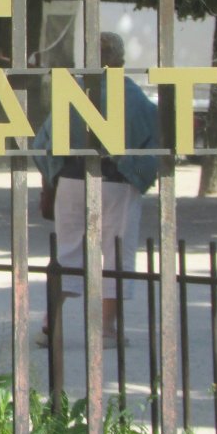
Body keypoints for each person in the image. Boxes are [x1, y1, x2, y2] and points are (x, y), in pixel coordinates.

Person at [34, 32, 159, 348]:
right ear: (120, 62)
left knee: (67, 253)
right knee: (117, 254)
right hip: (117, 182)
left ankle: (51, 325)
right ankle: (105, 330)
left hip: (72, 182)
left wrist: (52, 178)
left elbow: (43, 144)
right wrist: (137, 175)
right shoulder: (134, 99)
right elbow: (156, 145)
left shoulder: (75, 96)